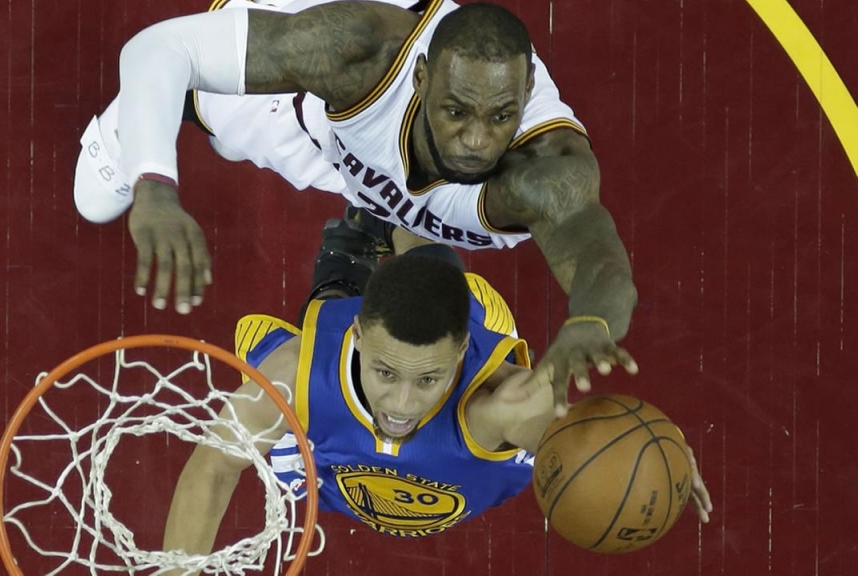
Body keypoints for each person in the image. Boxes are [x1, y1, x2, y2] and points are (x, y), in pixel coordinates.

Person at [74, 0, 639, 415]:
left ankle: (376, 213)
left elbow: (600, 261)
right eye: (456, 111)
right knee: (100, 194)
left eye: (499, 117)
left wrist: (590, 322)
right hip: (301, 109)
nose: (475, 141)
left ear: (528, 87)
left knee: (411, 218)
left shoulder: (543, 173)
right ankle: (141, 120)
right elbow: (157, 47)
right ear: (421, 79)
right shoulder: (363, 54)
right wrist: (155, 187)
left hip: (360, 171)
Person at [160, 228, 711, 570]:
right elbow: (213, 468)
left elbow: (597, 435)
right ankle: (346, 259)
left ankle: (392, 215)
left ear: (462, 353)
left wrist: (653, 450)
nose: (401, 404)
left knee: (435, 268)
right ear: (357, 340)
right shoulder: (292, 374)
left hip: (459, 454)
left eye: (428, 380)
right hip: (325, 461)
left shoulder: (500, 408)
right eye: (385, 374)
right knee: (315, 324)